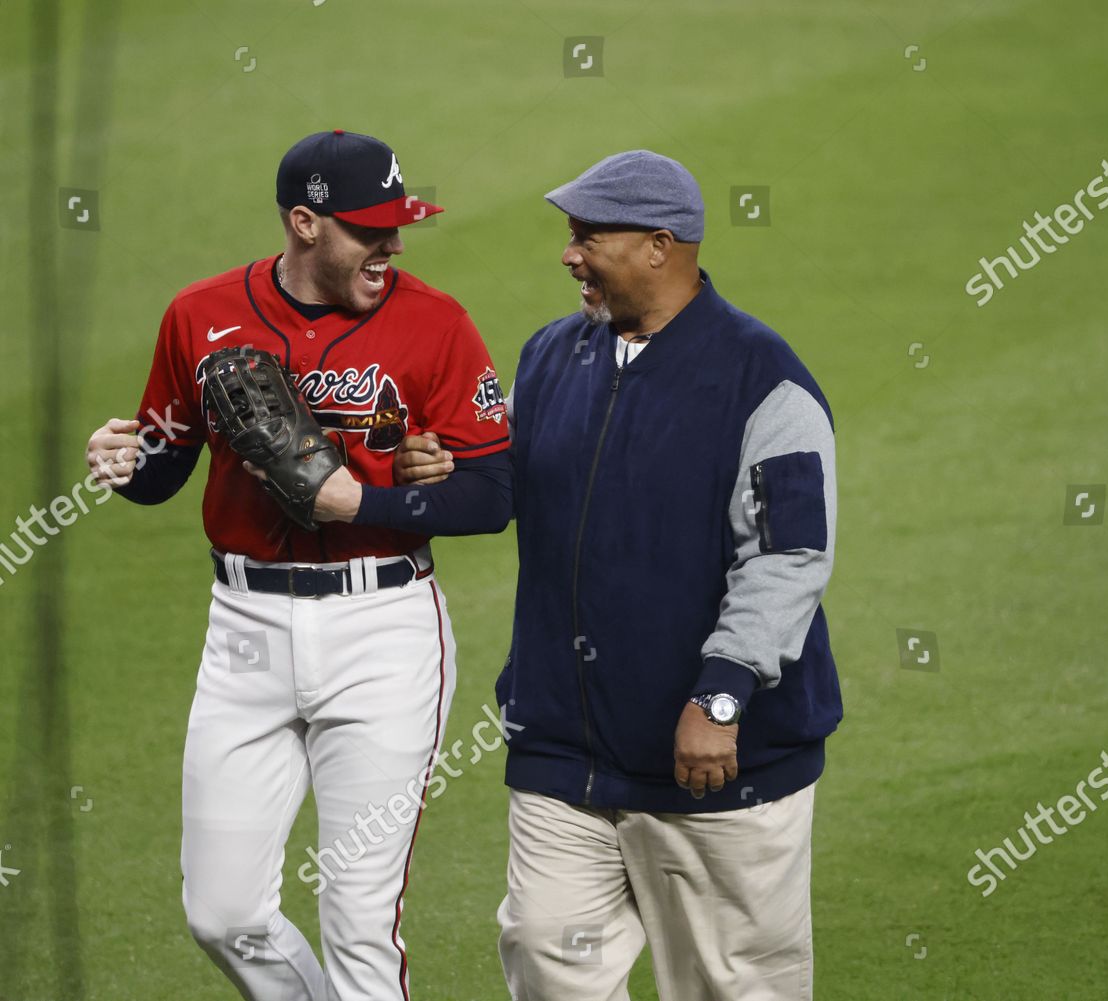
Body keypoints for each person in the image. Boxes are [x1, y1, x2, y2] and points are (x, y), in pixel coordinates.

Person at [396, 149, 841, 1000]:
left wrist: (721, 695)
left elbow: (787, 558)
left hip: (718, 764)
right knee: (545, 958)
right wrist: (440, 465)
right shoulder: (551, 356)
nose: (568, 254)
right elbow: (512, 477)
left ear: (659, 246)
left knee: (731, 986)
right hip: (567, 753)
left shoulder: (764, 381)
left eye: (587, 235)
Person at [83, 130, 513, 1001]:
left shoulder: (437, 322)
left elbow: (495, 491)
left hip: (383, 630)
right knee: (223, 912)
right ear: (305, 223)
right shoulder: (198, 316)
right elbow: (164, 465)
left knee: (359, 918)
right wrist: (123, 464)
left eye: (399, 226)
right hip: (244, 632)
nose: (392, 247)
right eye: (371, 230)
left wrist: (372, 503)